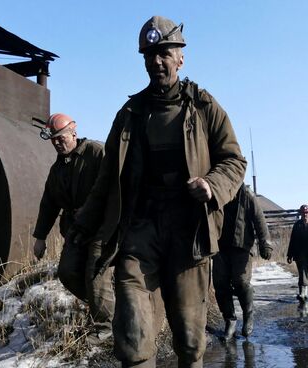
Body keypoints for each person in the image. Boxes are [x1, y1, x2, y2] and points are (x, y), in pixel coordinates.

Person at [68, 16, 246, 368]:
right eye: (149, 55)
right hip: (140, 230)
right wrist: (82, 226)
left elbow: (234, 161)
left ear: (181, 56)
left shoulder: (204, 107)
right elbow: (107, 181)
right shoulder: (130, 114)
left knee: (190, 340)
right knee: (132, 333)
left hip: (188, 232)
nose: (156, 61)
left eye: (164, 53)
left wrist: (212, 185)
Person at [32, 113, 114, 338]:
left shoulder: (97, 153)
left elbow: (115, 186)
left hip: (101, 229)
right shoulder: (57, 169)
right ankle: (107, 308)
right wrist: (40, 238)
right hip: (75, 231)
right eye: (54, 140)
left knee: (95, 274)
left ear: (74, 133)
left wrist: (91, 210)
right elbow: (48, 204)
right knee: (67, 273)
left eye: (61, 137)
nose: (58, 143)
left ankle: (105, 329)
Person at [214, 183, 274, 340]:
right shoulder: (217, 189)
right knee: (220, 284)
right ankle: (230, 321)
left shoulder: (246, 194)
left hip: (242, 246)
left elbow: (259, 219)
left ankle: (248, 316)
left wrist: (265, 243)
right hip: (220, 246)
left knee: (241, 282)